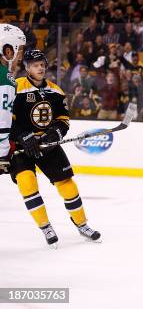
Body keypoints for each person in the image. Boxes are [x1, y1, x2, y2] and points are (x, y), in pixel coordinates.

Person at [9, 50, 101, 247]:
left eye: (42, 64)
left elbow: (63, 120)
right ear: (27, 68)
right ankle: (45, 227)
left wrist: (55, 134)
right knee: (27, 182)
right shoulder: (15, 88)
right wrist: (23, 136)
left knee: (67, 183)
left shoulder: (56, 91)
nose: (40, 67)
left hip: (47, 146)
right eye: (35, 65)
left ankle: (82, 224)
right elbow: (5, 118)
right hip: (20, 147)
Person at [0, 24, 26, 175]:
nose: (21, 57)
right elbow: (2, 122)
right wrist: (4, 153)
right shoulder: (5, 78)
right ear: (8, 51)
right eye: (20, 50)